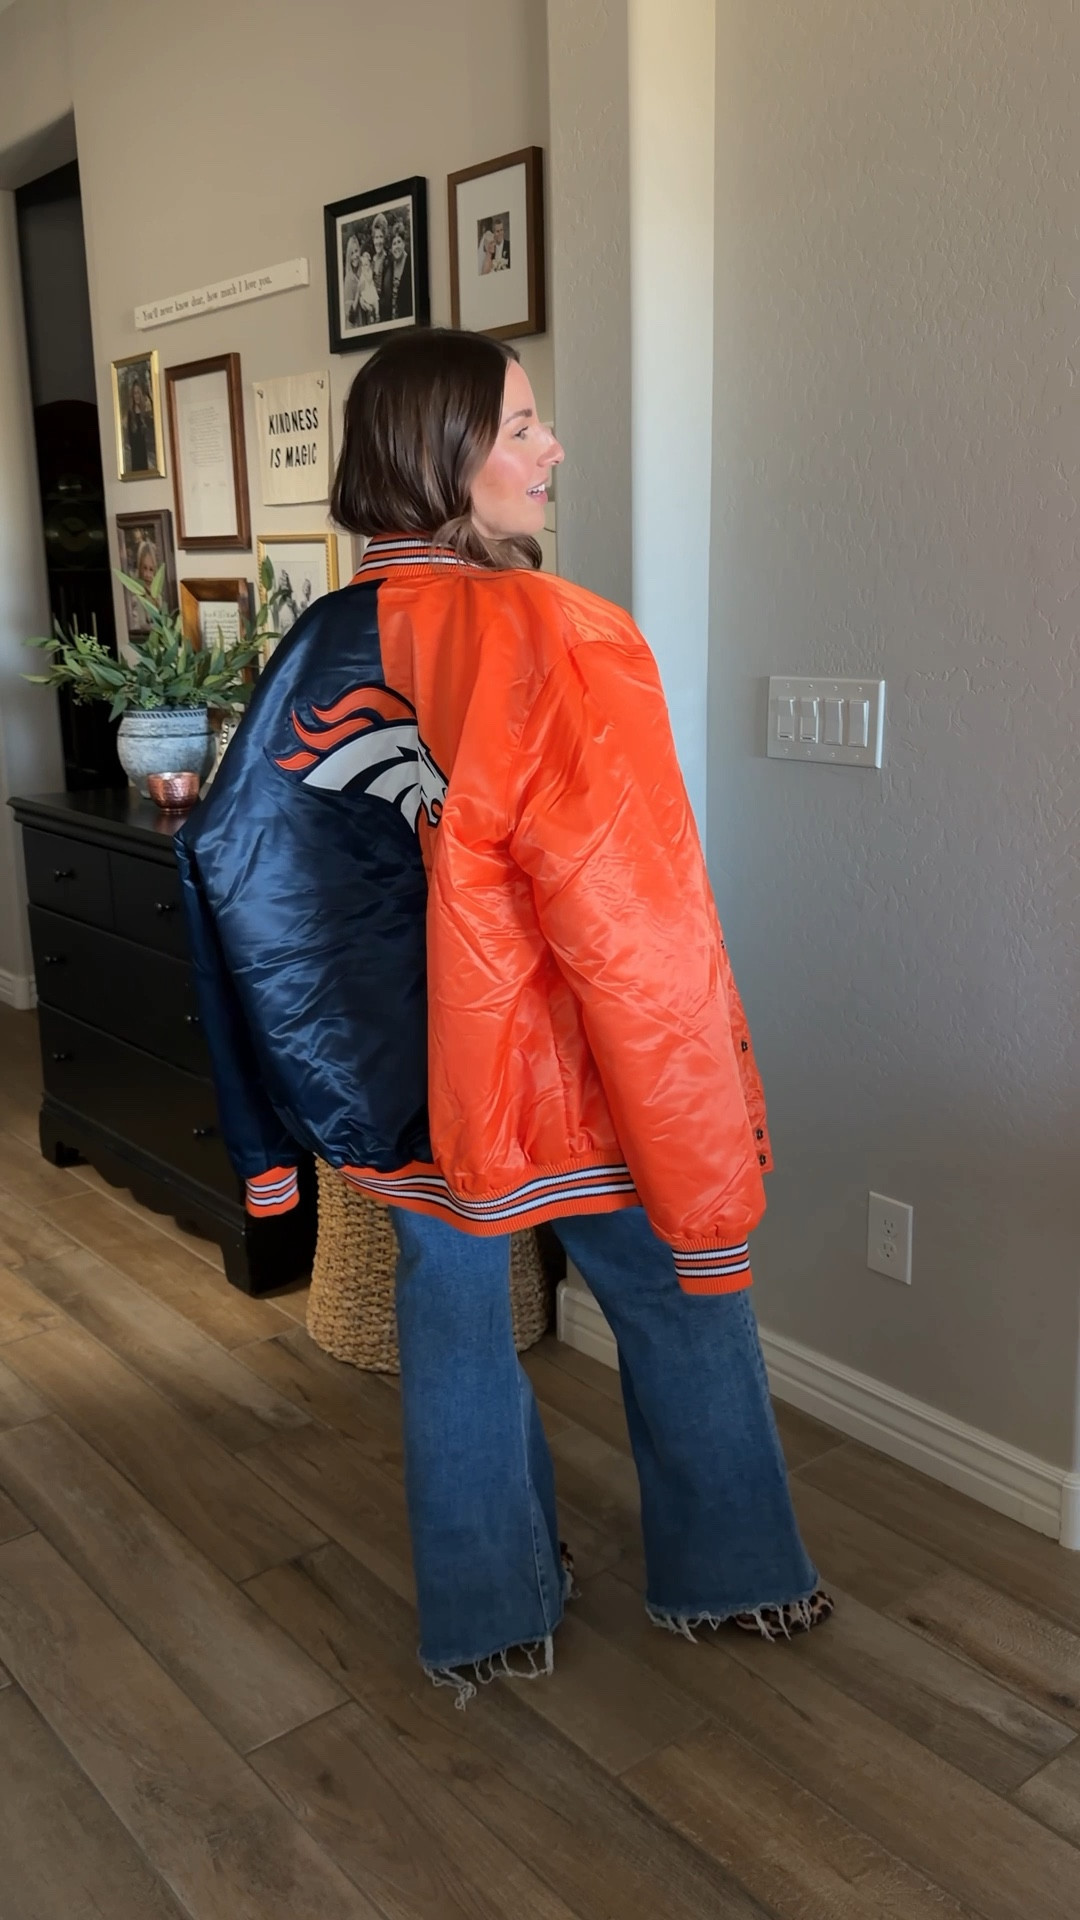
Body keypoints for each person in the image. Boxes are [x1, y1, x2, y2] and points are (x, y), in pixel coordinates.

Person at [175, 328, 832, 1705]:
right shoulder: (559, 630)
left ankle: (495, 1614)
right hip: (570, 1077)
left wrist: (300, 1102)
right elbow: (634, 915)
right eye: (522, 426)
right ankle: (734, 1576)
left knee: (457, 1326)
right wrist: (695, 1119)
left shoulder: (312, 644)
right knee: (681, 1296)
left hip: (405, 1092)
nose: (552, 450)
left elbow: (232, 862)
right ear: (440, 454)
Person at [125, 377, 153, 473]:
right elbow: (130, 438)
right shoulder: (130, 414)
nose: (136, 396)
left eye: (137, 393)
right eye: (134, 393)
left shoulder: (145, 413)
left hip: (144, 453)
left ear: (140, 394)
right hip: (135, 456)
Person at [387, 219, 412, 320]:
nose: (396, 246)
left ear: (404, 243)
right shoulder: (390, 266)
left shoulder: (410, 263)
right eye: (394, 243)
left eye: (399, 242)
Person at [370, 211, 390, 320]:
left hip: (384, 313)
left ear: (385, 238)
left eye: (381, 237)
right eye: (376, 237)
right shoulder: (370, 261)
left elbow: (387, 296)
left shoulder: (388, 260)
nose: (378, 241)